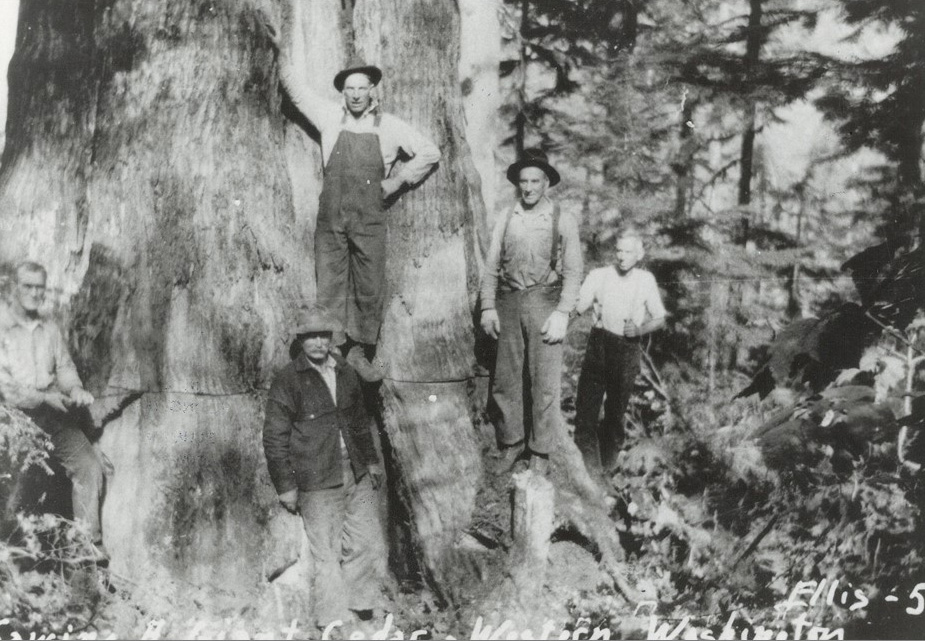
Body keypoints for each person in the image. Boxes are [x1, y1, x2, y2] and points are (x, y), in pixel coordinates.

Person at [275, 19, 441, 381]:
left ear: (372, 90)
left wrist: (397, 181)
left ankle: (361, 350)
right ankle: (334, 350)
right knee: (330, 281)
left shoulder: (389, 126)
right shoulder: (329, 118)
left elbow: (430, 152)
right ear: (342, 93)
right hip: (332, 215)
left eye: (361, 88)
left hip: (369, 216)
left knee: (369, 283)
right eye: (349, 88)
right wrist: (280, 52)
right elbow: (297, 92)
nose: (355, 95)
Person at [262, 306, 386, 630]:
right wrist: (286, 486)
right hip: (316, 478)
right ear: (300, 340)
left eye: (323, 336)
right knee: (326, 552)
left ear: (331, 339)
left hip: (355, 470)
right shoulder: (288, 380)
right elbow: (275, 437)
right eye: (310, 336)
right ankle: (333, 621)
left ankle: (362, 607)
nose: (318, 342)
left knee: (364, 539)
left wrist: (371, 461)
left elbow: (358, 420)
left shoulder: (345, 371)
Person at [479, 149, 583, 475]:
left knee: (544, 381)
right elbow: (491, 266)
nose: (528, 188)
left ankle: (540, 452)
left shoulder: (562, 218)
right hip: (508, 301)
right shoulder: (507, 216)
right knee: (505, 379)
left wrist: (563, 312)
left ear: (546, 183)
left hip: (544, 301)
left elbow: (574, 271)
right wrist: (487, 306)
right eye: (523, 181)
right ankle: (511, 443)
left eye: (535, 181)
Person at [0, 261, 108, 560]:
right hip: (9, 418)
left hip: (50, 418)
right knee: (13, 486)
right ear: (14, 287)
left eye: (40, 288)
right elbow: (5, 387)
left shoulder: (49, 328)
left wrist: (75, 390)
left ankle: (85, 547)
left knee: (88, 465)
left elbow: (64, 367)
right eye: (28, 286)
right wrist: (44, 398)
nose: (35, 293)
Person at [573, 231, 666, 472]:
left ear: (639, 255)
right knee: (586, 410)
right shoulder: (599, 275)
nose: (622, 257)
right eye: (619, 251)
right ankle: (587, 470)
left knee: (615, 414)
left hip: (626, 348)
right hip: (598, 345)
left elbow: (660, 318)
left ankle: (607, 471)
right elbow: (577, 307)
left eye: (628, 252)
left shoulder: (645, 280)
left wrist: (639, 329)